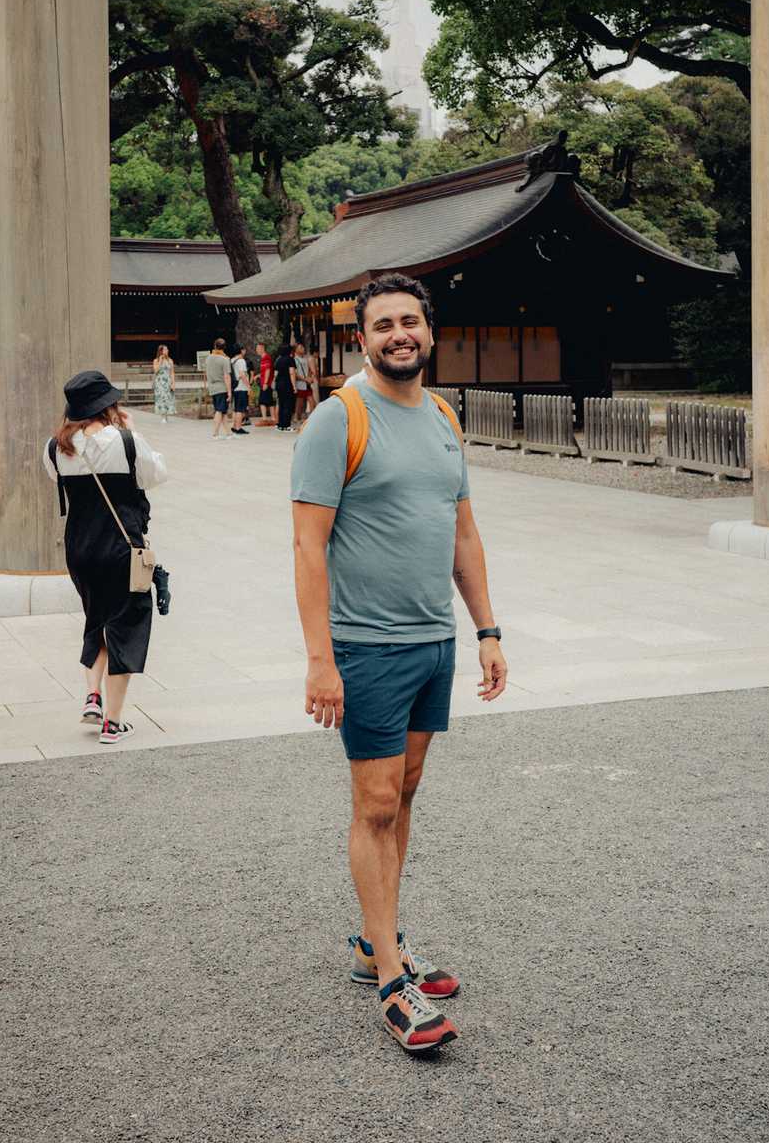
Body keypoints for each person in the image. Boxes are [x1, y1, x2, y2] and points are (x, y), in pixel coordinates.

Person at [291, 272, 508, 1054]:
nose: (398, 335)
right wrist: (321, 661)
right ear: (363, 339)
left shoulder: (444, 416)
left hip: (433, 642)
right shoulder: (338, 419)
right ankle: (391, 980)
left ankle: (370, 938)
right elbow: (308, 546)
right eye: (382, 325)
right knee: (375, 803)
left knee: (406, 791)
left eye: (409, 321)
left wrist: (486, 628)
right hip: (366, 645)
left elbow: (463, 533)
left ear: (429, 329)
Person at [44, 370, 167, 744]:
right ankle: (113, 723)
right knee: (125, 624)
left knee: (96, 617)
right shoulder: (126, 442)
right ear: (108, 406)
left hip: (79, 550)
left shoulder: (54, 447)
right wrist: (131, 431)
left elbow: (56, 479)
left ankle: (93, 695)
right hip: (119, 549)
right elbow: (157, 474)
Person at [204, 339, 232, 439]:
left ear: (214, 346)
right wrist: (229, 391)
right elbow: (227, 376)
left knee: (222, 411)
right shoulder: (224, 359)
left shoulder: (208, 358)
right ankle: (215, 433)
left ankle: (229, 433)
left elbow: (206, 373)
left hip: (212, 387)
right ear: (224, 347)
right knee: (219, 410)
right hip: (222, 387)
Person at [273, 343, 297, 432]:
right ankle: (286, 425)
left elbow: (275, 374)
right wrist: (294, 386)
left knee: (281, 404)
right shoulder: (290, 360)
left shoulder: (278, 360)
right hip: (287, 384)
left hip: (279, 384)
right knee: (288, 404)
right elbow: (292, 373)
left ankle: (280, 425)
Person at [152, 344, 176, 423]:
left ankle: (166, 415)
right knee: (161, 399)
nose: (167, 351)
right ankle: (163, 416)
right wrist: (161, 360)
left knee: (167, 398)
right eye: (165, 349)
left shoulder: (170, 360)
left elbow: (172, 372)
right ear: (161, 351)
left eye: (167, 349)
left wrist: (173, 383)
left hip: (167, 382)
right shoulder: (156, 360)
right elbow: (156, 371)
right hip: (159, 382)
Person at [231, 345, 251, 435]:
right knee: (241, 409)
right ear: (241, 351)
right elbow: (242, 375)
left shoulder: (232, 360)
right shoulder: (241, 361)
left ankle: (234, 426)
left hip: (235, 387)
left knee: (236, 408)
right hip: (241, 387)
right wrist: (248, 386)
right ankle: (238, 428)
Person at [292, 342, 313, 427]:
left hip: (306, 383)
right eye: (300, 347)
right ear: (296, 350)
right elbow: (295, 373)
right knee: (299, 402)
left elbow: (309, 370)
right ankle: (297, 417)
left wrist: (309, 377)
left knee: (311, 400)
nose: (303, 349)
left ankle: (311, 417)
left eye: (303, 347)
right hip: (300, 383)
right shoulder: (294, 360)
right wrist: (305, 379)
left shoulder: (305, 359)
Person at [256, 340, 275, 424]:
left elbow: (268, 370)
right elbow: (264, 371)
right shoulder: (264, 358)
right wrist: (258, 375)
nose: (256, 350)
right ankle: (273, 418)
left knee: (262, 401)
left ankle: (264, 419)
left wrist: (265, 383)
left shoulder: (266, 357)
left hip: (266, 383)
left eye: (258, 348)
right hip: (266, 382)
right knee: (270, 401)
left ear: (262, 348)